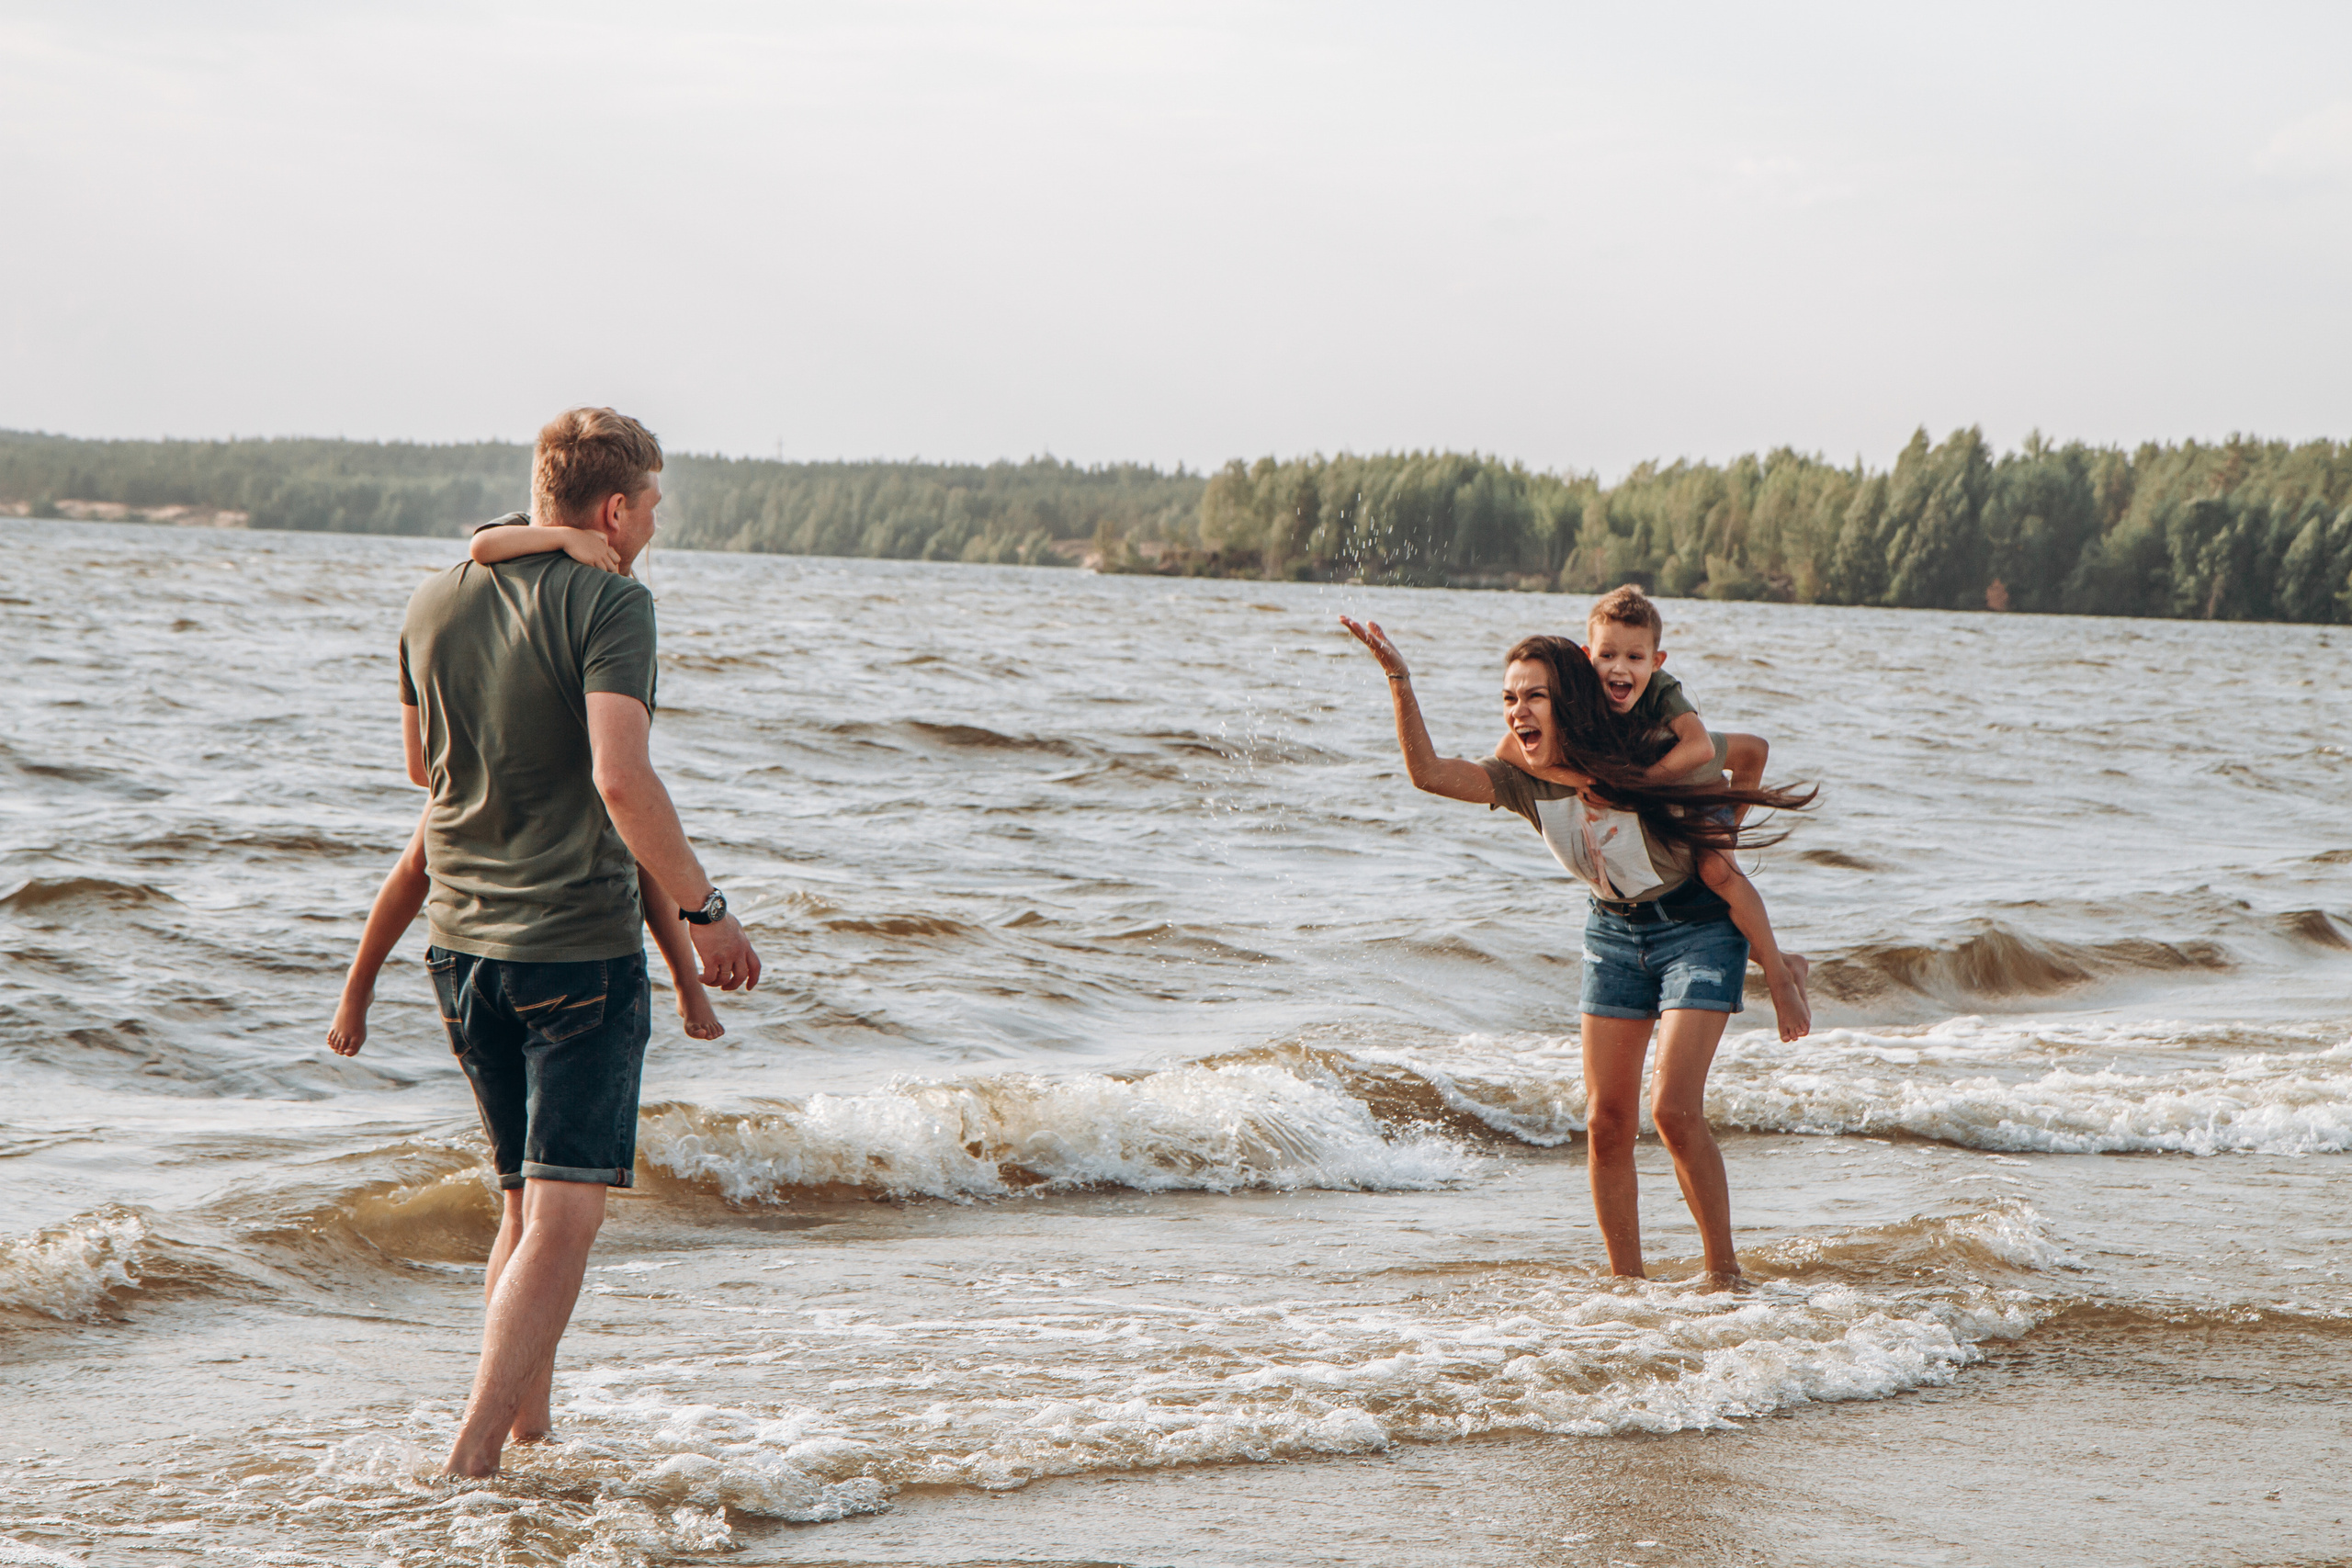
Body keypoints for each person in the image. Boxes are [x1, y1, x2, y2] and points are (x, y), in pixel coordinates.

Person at [396, 406, 760, 1476]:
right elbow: (621, 776)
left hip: (462, 947)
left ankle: (528, 1426)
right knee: (564, 1221)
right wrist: (703, 912)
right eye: (651, 505)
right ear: (615, 508)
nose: (654, 523)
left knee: (526, 1199)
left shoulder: (434, 600)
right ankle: (471, 1455)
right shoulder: (614, 602)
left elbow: (426, 773)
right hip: (572, 951)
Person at [1339, 615, 1812, 1286]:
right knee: (1605, 1120)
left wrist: (1718, 832)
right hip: (1613, 932)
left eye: (1533, 696)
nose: (1518, 712)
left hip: (1700, 924)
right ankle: (1628, 1292)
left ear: (1568, 701)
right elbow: (1428, 773)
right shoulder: (1522, 778)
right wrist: (1399, 678)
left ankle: (1724, 1279)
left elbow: (1750, 750)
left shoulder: (1647, 748)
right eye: (1509, 697)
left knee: (1673, 1112)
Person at [1498, 585, 1810, 1038]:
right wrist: (1580, 781)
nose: (1619, 668)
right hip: (1662, 788)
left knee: (1715, 871)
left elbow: (1704, 747)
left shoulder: (1663, 693)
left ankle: (1781, 980)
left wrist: (1717, 824)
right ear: (1588, 656)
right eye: (1607, 655)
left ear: (1656, 662)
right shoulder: (1580, 691)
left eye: (1635, 658)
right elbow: (1508, 748)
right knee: (1696, 892)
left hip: (1691, 774)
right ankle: (1784, 961)